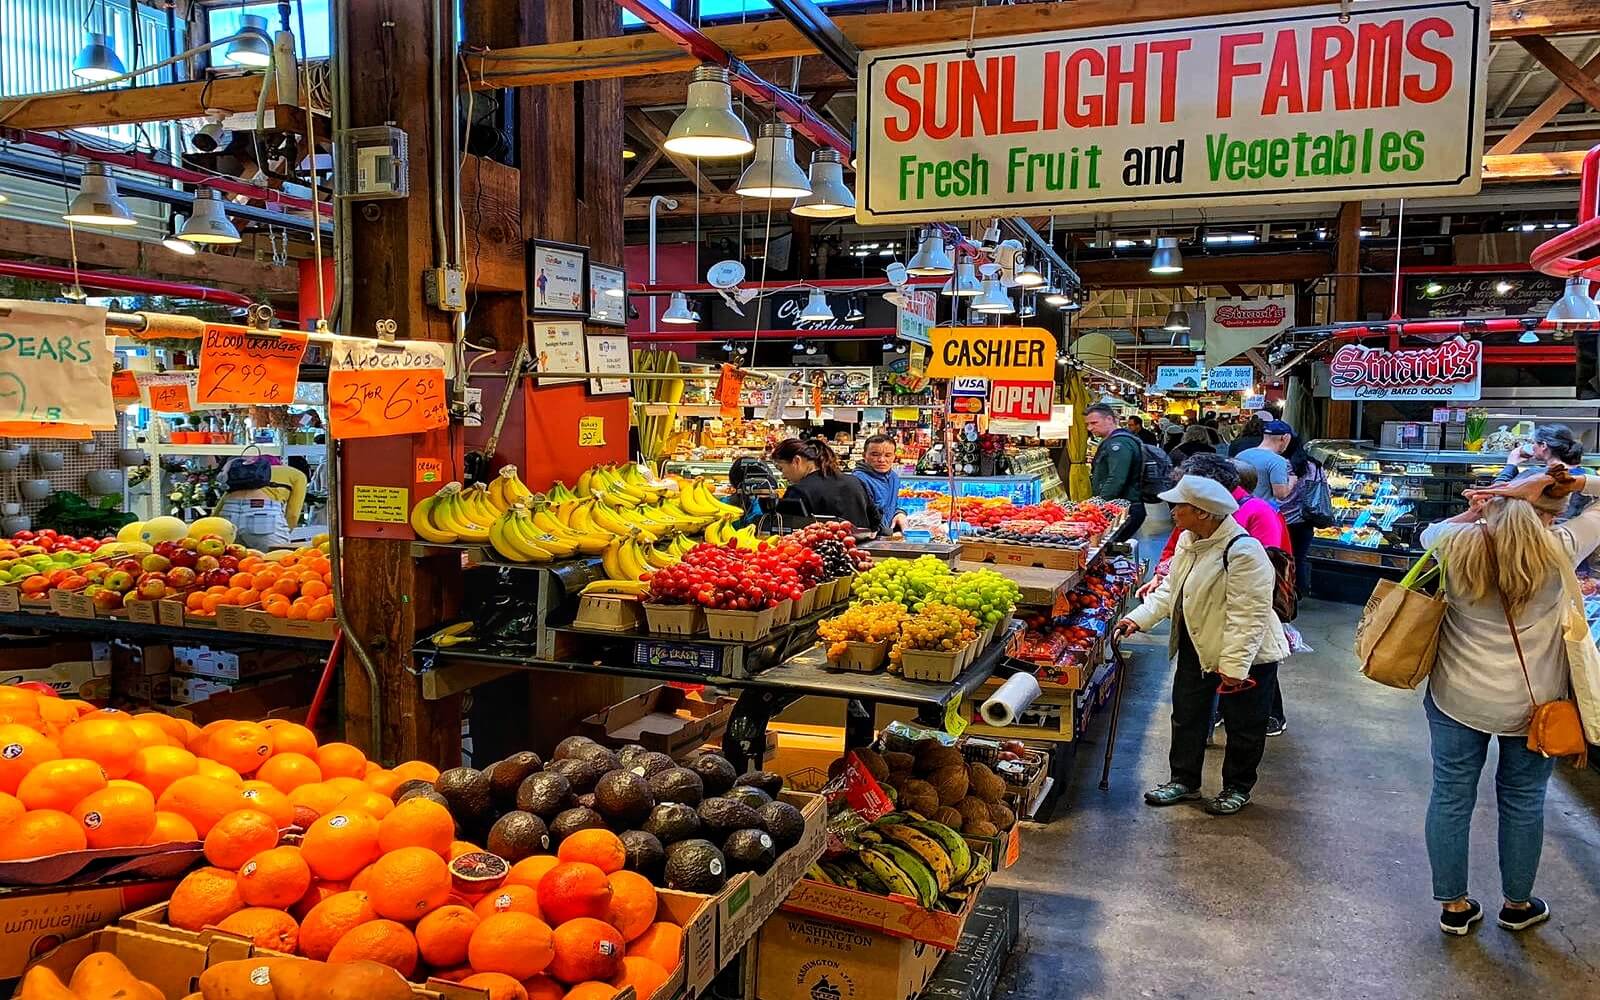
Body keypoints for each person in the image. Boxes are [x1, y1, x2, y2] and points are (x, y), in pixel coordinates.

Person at [1417, 467, 1600, 936]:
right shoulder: (1562, 547)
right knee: (1522, 801)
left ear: (1494, 502)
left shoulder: (1450, 541)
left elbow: (1429, 533)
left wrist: (1478, 510)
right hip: (1537, 706)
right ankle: (1517, 904)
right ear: (1554, 512)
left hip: (1458, 696)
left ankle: (1453, 906)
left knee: (1451, 794)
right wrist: (1576, 483)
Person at [1115, 474, 1289, 815]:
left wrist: (1235, 669)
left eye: (1179, 506)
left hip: (1247, 654)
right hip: (1199, 642)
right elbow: (1171, 589)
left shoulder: (1244, 551)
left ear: (1204, 512)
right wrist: (1139, 618)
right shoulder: (1189, 541)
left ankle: (1237, 787)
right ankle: (1184, 780)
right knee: (1187, 715)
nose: (1172, 511)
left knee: (1244, 724)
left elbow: (1248, 616)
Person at [770, 437, 879, 532]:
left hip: (819, 553)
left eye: (781, 468)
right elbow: (875, 521)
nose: (783, 475)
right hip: (860, 552)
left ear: (796, 461)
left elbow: (786, 531)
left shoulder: (798, 491)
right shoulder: (855, 481)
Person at [1494, 424, 1587, 520]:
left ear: (1543, 446)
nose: (1532, 447)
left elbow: (1497, 498)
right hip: (1579, 531)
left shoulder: (1535, 474)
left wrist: (1511, 464)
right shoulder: (1589, 475)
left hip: (1540, 531)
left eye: (1534, 443)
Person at [1085, 404, 1145, 540]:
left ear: (1110, 419)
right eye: (1088, 424)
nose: (1090, 428)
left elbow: (1117, 478)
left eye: (1094, 423)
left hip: (1123, 508)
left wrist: (1098, 505)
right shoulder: (1118, 440)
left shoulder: (1118, 444)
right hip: (1122, 506)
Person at [1276, 436, 1324, 598]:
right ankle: (1299, 593)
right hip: (1305, 518)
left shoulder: (1281, 465)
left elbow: (1279, 494)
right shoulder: (1314, 465)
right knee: (1299, 558)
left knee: (1282, 558)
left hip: (1282, 519)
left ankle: (1283, 593)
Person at [852, 434, 908, 536]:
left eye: (887, 455)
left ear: (894, 457)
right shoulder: (858, 480)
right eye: (875, 454)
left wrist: (899, 513)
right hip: (869, 540)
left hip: (887, 537)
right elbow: (867, 517)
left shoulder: (893, 477)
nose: (881, 460)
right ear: (864, 455)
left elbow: (892, 505)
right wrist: (889, 532)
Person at [1235, 420, 1297, 501]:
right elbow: (1281, 494)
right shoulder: (1277, 461)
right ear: (1284, 438)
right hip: (1263, 511)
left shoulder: (1241, 455)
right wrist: (1292, 482)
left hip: (1241, 508)